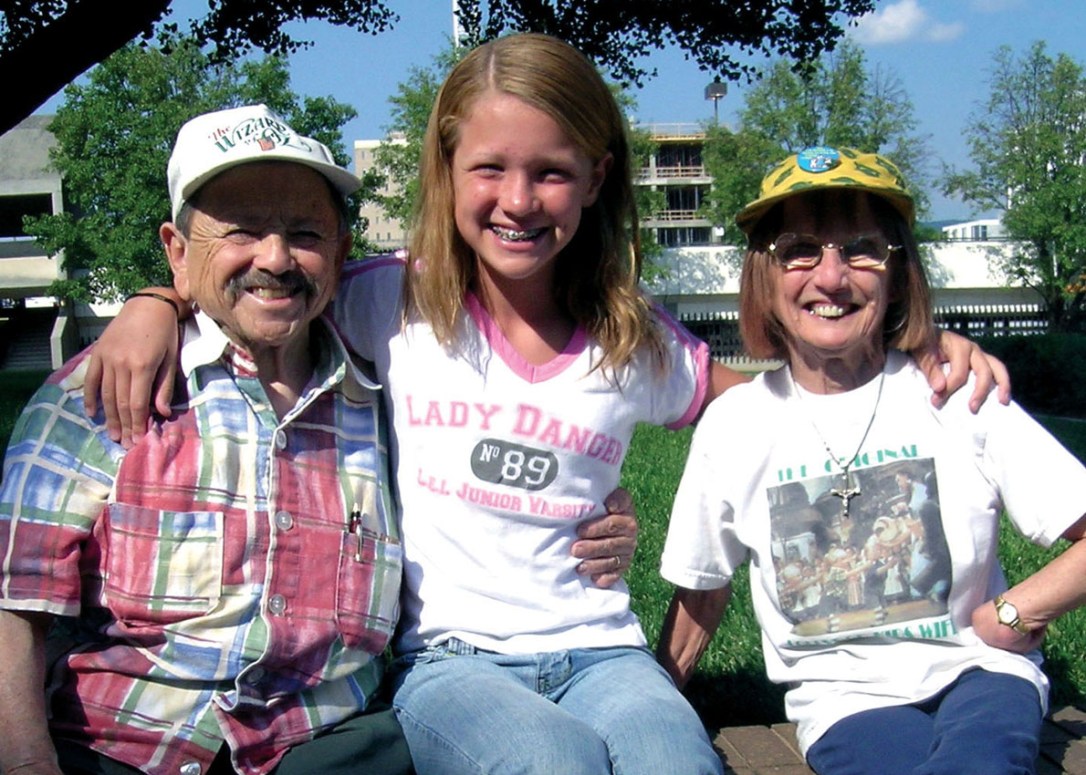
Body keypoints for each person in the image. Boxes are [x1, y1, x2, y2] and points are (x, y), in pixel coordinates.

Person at [85, 38, 1005, 774]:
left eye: (551, 172)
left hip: (606, 649)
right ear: (447, 171)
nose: (517, 201)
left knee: (673, 761)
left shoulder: (629, 336)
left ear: (598, 178)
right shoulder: (385, 301)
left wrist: (911, 353)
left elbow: (775, 397)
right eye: (489, 169)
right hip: (449, 659)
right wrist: (153, 303)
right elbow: (262, 289)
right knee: (547, 762)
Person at [0, 104, 415, 775]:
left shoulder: (392, 399)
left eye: (304, 232)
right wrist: (24, 764)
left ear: (340, 254)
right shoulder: (95, 395)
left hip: (331, 746)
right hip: (124, 748)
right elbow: (13, 605)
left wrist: (598, 515)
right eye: (242, 231)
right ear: (178, 253)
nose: (275, 258)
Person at [656, 145, 1086, 775]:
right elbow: (702, 590)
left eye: (861, 249)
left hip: (982, 673)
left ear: (897, 273)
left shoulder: (956, 391)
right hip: (844, 702)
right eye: (799, 250)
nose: (830, 277)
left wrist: (1016, 611)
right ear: (764, 279)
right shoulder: (736, 425)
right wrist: (651, 711)